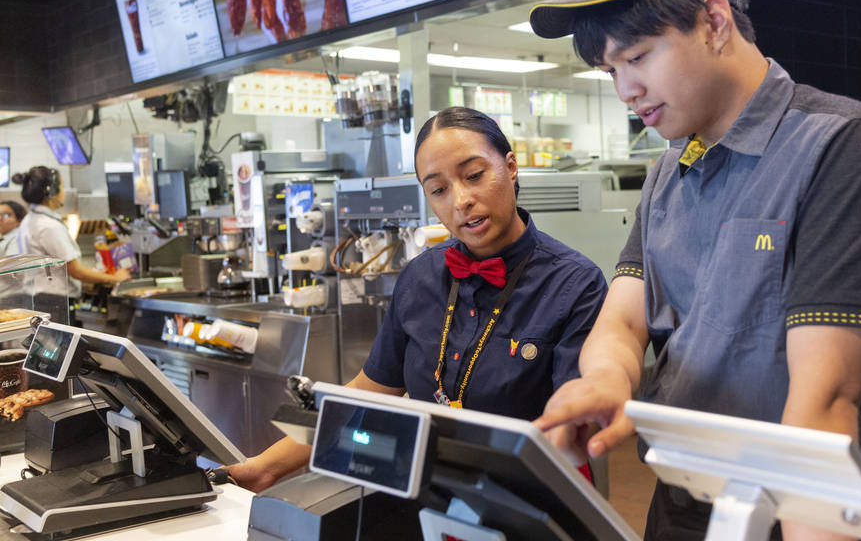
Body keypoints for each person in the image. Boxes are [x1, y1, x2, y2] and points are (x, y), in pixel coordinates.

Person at [529, 0, 861, 541]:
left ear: (713, 22)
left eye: (639, 56)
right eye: (611, 71)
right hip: (685, 511)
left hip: (802, 526)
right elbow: (624, 320)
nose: (625, 90)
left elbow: (825, 402)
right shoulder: (666, 174)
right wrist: (609, 381)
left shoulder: (842, 147)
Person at [230, 107, 608, 491]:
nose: (461, 200)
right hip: (429, 492)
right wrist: (266, 468)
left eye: (474, 176)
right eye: (439, 190)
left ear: (510, 167)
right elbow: (369, 392)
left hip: (532, 500)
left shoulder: (575, 284)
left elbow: (578, 416)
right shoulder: (420, 277)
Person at [13, 167, 130, 301]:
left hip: (38, 297)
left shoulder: (31, 220)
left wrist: (97, 275)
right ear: (52, 191)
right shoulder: (49, 226)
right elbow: (75, 271)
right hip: (52, 301)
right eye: (62, 186)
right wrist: (115, 278)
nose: (64, 192)